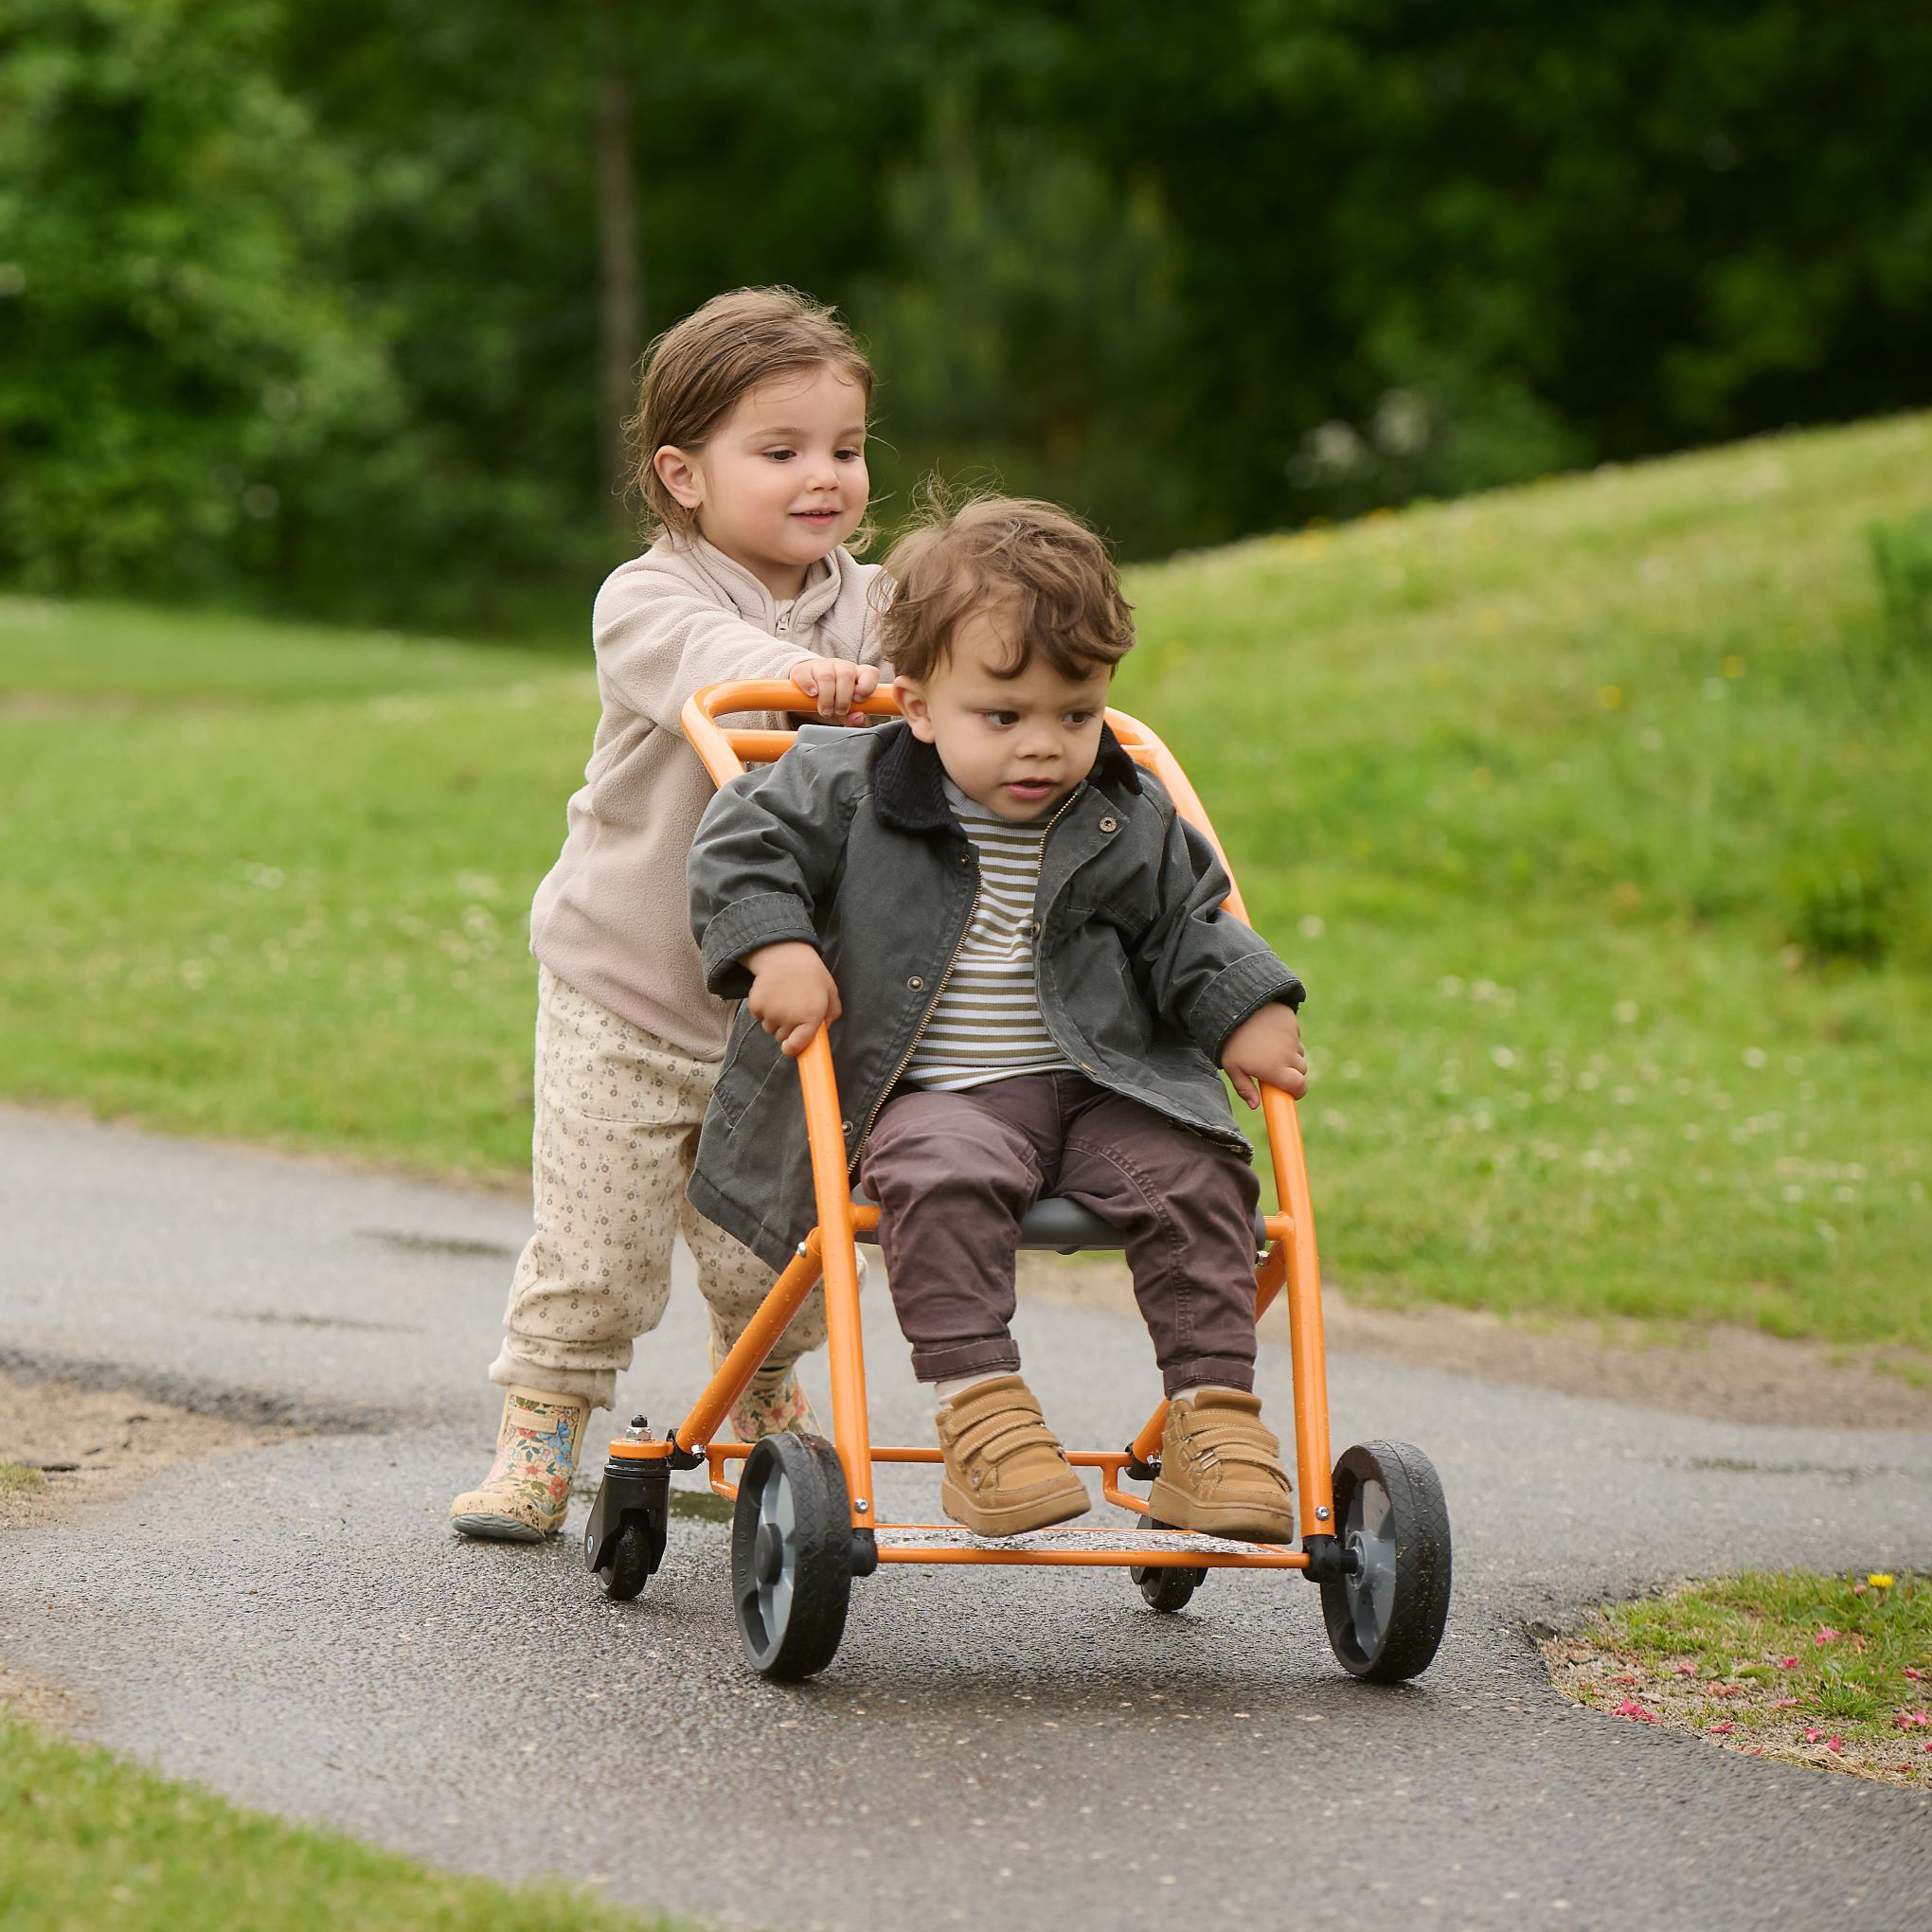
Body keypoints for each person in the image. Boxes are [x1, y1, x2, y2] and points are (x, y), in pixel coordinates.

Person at [686, 495, 1311, 1541]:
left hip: (1109, 1086)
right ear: (919, 706)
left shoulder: (1128, 809)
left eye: (1077, 714)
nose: (1045, 748)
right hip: (934, 1095)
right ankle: (984, 1419)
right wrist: (777, 947)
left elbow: (1189, 927)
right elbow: (737, 848)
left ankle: (1215, 1426)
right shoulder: (850, 783)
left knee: (1202, 1175)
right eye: (1003, 716)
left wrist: (1244, 1006)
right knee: (944, 1172)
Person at [450, 287, 886, 1542]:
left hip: (790, 998)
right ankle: (541, 1439)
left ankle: (761, 1411)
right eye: (783, 451)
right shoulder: (644, 599)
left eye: (847, 451)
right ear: (682, 474)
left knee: (778, 1251)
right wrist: (826, 687)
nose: (826, 478)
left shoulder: (878, 605)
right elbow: (717, 673)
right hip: (626, 991)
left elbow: (960, 663)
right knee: (595, 1248)